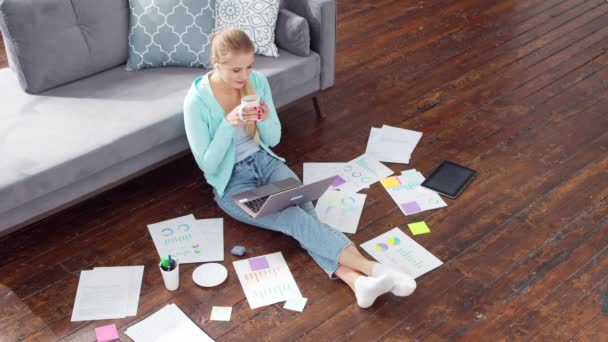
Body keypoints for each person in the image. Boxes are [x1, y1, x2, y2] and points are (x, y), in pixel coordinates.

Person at [183, 28, 416, 308]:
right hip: (232, 184)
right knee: (295, 219)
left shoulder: (256, 82)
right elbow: (206, 163)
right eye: (235, 70)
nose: (244, 77)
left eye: (249, 67)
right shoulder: (196, 101)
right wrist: (229, 122)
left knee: (305, 211)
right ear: (215, 62)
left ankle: (359, 284)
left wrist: (266, 118)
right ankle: (375, 270)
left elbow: (273, 140)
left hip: (265, 163)